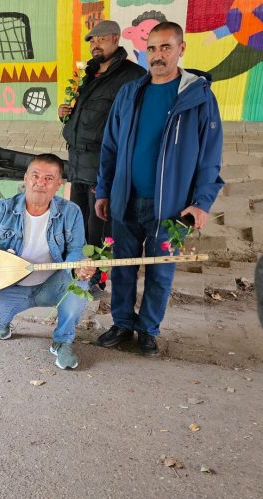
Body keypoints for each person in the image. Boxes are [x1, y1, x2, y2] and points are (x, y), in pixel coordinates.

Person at [95, 21, 224, 356]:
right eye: (151, 48)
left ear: (181, 49)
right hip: (125, 200)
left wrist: (202, 202)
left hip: (172, 208)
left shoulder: (198, 97)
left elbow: (210, 156)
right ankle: (122, 323)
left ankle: (148, 330)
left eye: (165, 47)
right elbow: (109, 147)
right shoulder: (130, 93)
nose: (157, 55)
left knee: (160, 273)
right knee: (122, 267)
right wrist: (103, 191)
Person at [0, 154, 96, 370]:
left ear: (58, 185)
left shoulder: (70, 212)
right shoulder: (4, 209)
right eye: (35, 175)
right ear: (25, 178)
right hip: (10, 285)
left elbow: (75, 250)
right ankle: (3, 321)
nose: (40, 182)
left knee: (79, 286)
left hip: (50, 286)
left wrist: (79, 266)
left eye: (49, 178)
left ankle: (62, 342)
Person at [59, 20, 145, 295]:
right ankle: (80, 270)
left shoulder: (132, 76)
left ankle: (98, 279)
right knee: (79, 224)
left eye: (100, 39)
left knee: (101, 226)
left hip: (103, 166)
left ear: (116, 39)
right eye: (91, 40)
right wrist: (66, 115)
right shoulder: (90, 74)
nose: (95, 44)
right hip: (77, 164)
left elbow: (132, 125)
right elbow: (86, 116)